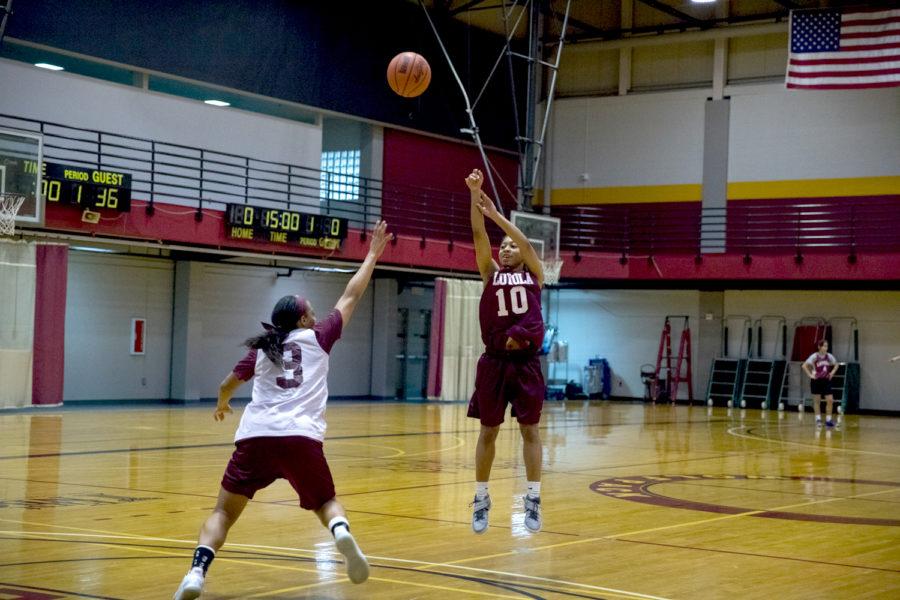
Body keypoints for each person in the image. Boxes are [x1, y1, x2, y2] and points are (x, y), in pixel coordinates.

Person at [173, 221, 392, 600]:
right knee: (324, 503)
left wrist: (223, 404)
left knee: (223, 513)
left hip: (256, 437)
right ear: (306, 320)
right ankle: (341, 533)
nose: (318, 312)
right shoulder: (319, 337)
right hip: (301, 437)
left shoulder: (261, 348)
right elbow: (351, 294)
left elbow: (227, 384)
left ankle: (196, 572)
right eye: (312, 309)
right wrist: (372, 253)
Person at [464, 168, 546, 534]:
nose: (508, 248)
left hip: (525, 362)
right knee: (488, 430)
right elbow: (478, 234)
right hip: (495, 362)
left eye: (511, 245)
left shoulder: (534, 274)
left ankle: (533, 498)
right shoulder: (490, 274)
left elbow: (526, 245)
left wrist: (497, 215)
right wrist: (475, 193)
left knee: (530, 430)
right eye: (505, 246)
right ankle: (481, 497)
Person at [802, 339, 839, 428]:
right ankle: (818, 419)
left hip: (826, 380)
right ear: (819, 347)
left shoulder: (829, 356)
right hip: (816, 380)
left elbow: (836, 364)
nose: (826, 348)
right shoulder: (814, 356)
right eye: (824, 346)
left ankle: (828, 420)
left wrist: (832, 373)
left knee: (830, 400)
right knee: (817, 401)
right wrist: (810, 375)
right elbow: (804, 365)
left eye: (827, 346)